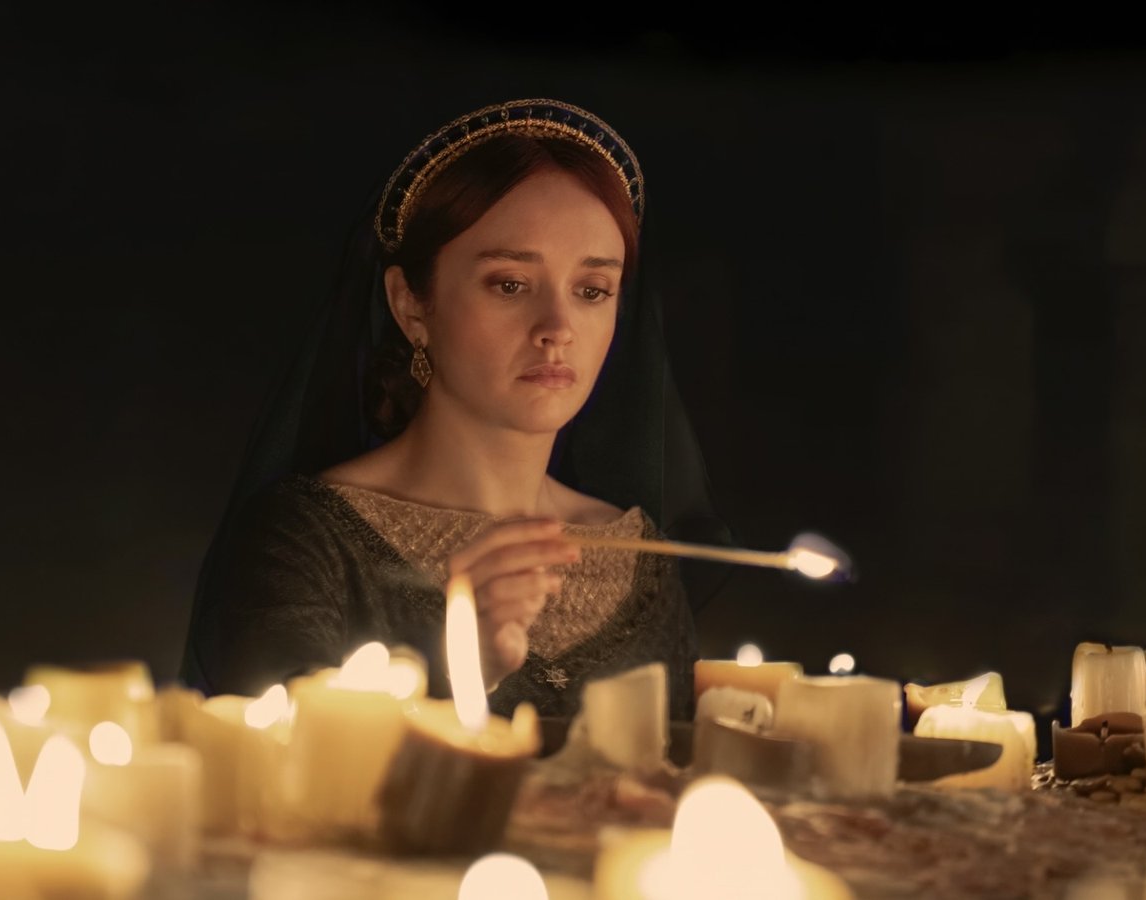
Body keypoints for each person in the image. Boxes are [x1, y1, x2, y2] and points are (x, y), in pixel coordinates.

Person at [179, 99, 732, 720]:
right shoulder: (306, 542)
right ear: (411, 305)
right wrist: (462, 669)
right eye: (510, 284)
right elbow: (281, 758)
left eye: (592, 290)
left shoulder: (639, 561)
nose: (558, 328)